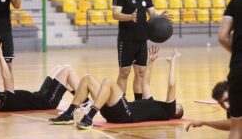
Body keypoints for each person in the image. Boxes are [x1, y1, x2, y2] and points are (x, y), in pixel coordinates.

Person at [49, 46, 183, 129]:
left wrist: (173, 63)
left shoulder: (168, 112)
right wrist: (151, 61)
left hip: (126, 114)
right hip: (115, 112)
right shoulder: (153, 104)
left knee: (108, 82)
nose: (176, 103)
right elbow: (145, 83)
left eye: (178, 105)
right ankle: (69, 114)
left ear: (176, 111)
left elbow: (171, 86)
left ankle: (89, 118)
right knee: (87, 79)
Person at [112, 0, 172, 100]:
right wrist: (129, 17)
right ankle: (121, 102)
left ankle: (138, 103)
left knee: (140, 73)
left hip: (142, 38)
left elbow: (152, 14)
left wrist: (160, 17)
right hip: (126, 39)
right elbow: (115, 14)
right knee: (124, 72)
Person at [0, 40, 80, 113]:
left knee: (58, 68)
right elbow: (6, 76)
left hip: (40, 94)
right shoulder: (6, 104)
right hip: (47, 101)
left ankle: (78, 96)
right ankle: (84, 101)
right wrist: (0, 55)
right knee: (67, 69)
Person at [218, 0, 242, 139]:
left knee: (236, 127)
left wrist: (237, 53)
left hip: (238, 65)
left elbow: (222, 36)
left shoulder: (236, 1)